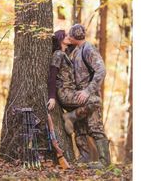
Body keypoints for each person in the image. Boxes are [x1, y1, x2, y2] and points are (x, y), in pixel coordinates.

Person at [47, 29, 101, 164]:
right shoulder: (58, 54)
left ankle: (84, 157)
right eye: (66, 36)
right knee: (95, 100)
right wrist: (52, 96)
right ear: (60, 39)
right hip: (65, 93)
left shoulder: (67, 53)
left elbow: (75, 43)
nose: (69, 37)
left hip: (71, 92)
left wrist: (72, 39)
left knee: (80, 124)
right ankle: (69, 116)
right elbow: (52, 76)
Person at [65, 23, 111, 169]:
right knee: (80, 128)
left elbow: (101, 70)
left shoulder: (88, 49)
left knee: (95, 127)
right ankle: (84, 158)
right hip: (79, 96)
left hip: (89, 96)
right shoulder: (76, 50)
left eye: (70, 35)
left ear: (74, 36)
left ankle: (105, 162)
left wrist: (88, 91)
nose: (68, 37)